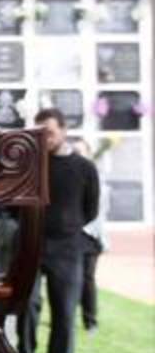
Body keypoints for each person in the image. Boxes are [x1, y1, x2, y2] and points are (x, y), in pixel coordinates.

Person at [17, 108, 99, 353]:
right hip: (32, 243)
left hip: (68, 248)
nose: (45, 139)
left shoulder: (85, 168)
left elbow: (91, 209)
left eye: (49, 133)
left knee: (64, 311)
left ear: (63, 131)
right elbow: (16, 204)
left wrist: (67, 226)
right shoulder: (30, 166)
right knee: (27, 304)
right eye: (40, 134)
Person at [70, 138, 108, 333]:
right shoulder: (70, 175)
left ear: (88, 154)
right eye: (74, 151)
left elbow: (99, 210)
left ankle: (90, 320)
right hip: (71, 236)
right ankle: (67, 316)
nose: (76, 154)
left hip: (90, 236)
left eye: (80, 151)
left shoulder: (96, 176)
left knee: (87, 278)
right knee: (69, 278)